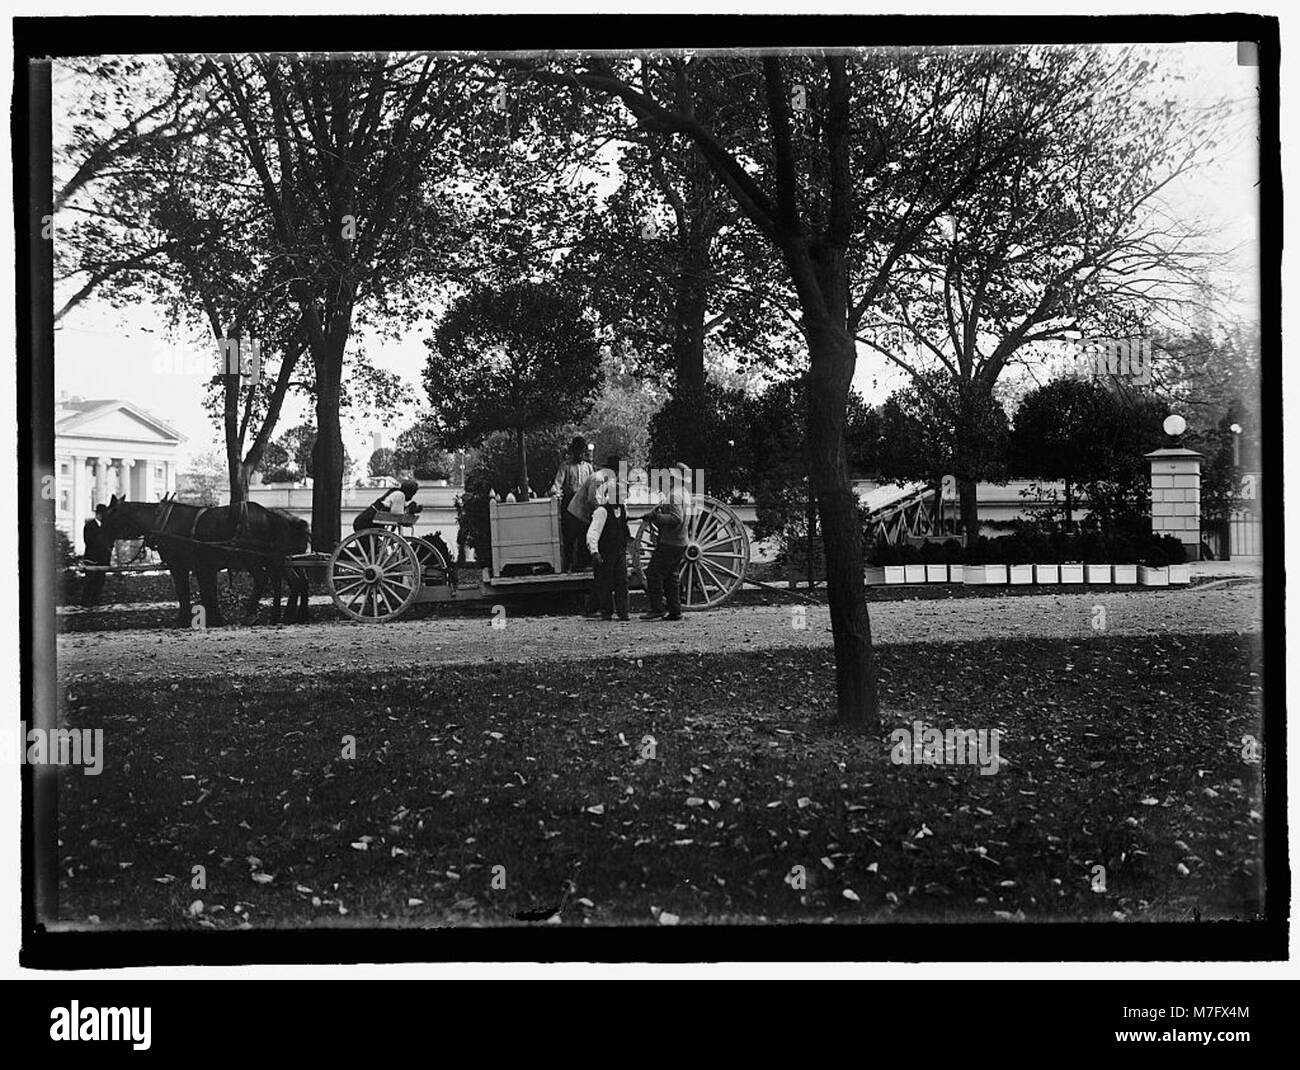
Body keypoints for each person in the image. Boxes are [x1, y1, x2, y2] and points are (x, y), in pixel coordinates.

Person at [640, 462, 692, 621]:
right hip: (681, 541)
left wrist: (656, 518)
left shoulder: (674, 495)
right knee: (671, 576)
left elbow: (676, 518)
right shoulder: (683, 493)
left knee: (653, 573)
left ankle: (657, 609)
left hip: (670, 542)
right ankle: (675, 611)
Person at [585, 482, 632, 621]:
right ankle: (606, 613)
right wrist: (594, 552)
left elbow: (625, 528)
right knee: (604, 582)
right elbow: (593, 533)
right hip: (605, 553)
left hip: (619, 552)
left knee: (622, 582)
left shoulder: (623, 509)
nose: (622, 499)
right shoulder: (602, 512)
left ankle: (623, 613)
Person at [567, 454, 618, 572]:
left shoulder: (605, 478)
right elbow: (592, 499)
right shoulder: (598, 478)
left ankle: (582, 563)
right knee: (583, 537)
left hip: (583, 511)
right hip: (578, 512)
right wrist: (603, 511)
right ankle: (580, 566)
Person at [550, 436, 593, 572]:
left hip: (584, 504)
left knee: (585, 534)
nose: (580, 454)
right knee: (569, 535)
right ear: (573, 452)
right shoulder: (566, 466)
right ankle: (568, 564)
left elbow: (594, 484)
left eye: (582, 452)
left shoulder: (588, 468)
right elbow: (557, 484)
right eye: (578, 452)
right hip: (570, 503)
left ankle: (583, 564)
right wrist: (555, 493)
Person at [353, 478, 421, 533]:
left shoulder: (397, 493)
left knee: (370, 548)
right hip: (365, 523)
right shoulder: (400, 495)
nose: (412, 496)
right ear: (409, 491)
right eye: (413, 493)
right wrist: (409, 512)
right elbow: (397, 514)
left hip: (365, 522)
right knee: (367, 548)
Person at [81, 503, 111, 607]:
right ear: (98, 514)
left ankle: (95, 600)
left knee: (100, 581)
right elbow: (89, 541)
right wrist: (103, 545)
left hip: (103, 559)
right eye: (103, 514)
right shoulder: (89, 526)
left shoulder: (106, 527)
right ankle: (85, 601)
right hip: (92, 558)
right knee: (90, 580)